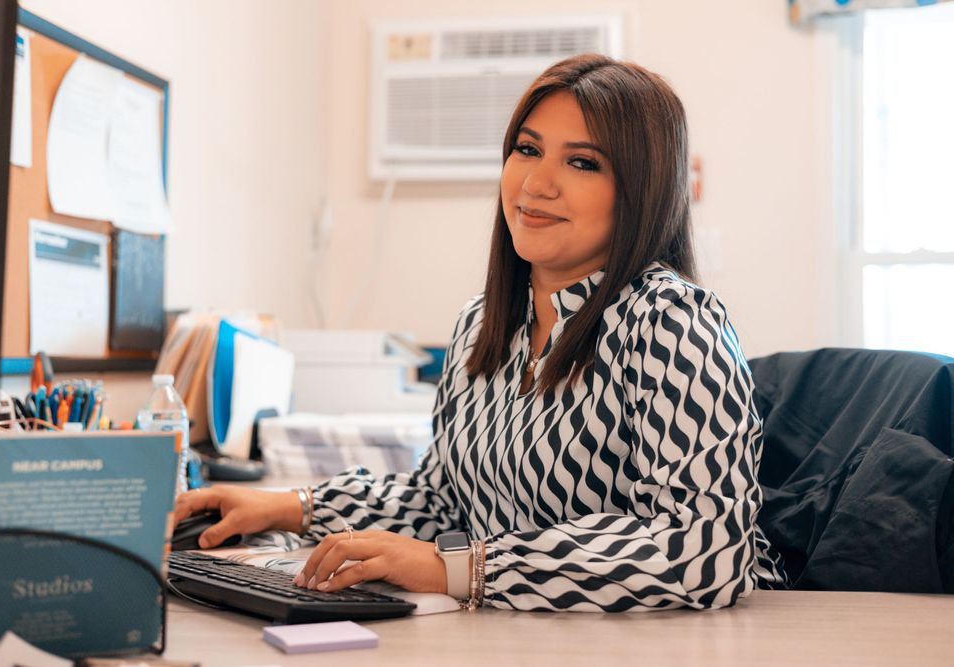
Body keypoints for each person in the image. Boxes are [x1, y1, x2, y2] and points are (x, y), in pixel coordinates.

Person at [175, 53, 787, 612]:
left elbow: (704, 553)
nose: (535, 184)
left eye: (582, 162)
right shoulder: (481, 323)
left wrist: (465, 568)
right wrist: (293, 507)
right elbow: (443, 500)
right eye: (527, 149)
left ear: (641, 190)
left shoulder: (672, 322)